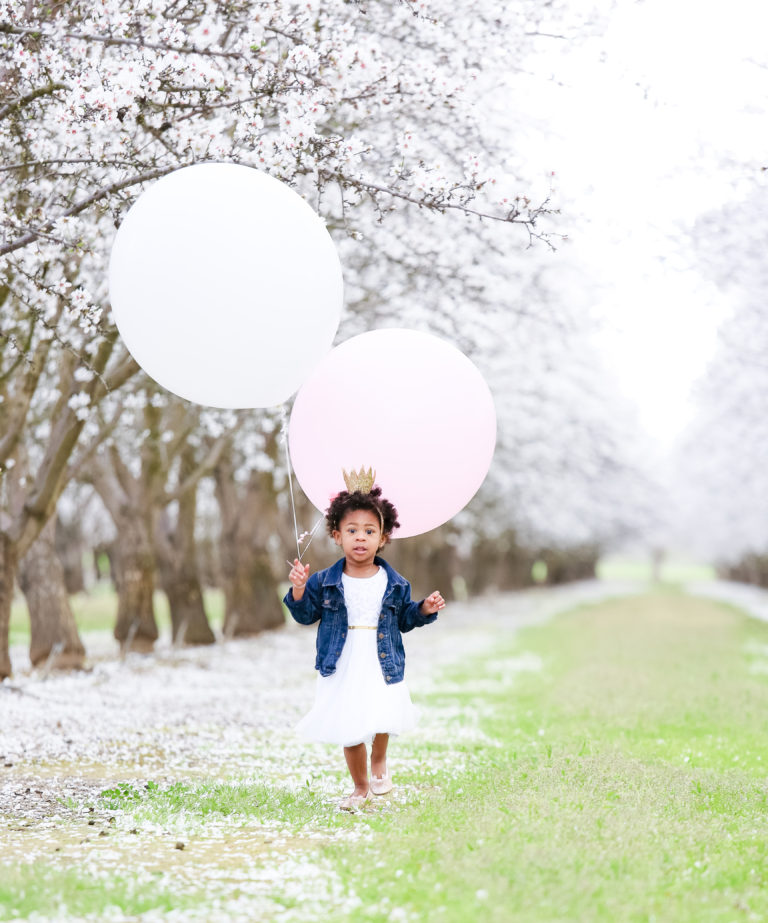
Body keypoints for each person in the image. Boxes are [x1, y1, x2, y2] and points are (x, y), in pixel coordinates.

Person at [284, 475, 445, 812]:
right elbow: (304, 615)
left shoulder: (394, 583)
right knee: (350, 724)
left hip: (380, 656)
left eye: (370, 531)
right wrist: (299, 590)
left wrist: (423, 610)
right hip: (341, 659)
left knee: (383, 712)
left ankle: (380, 761)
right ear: (336, 535)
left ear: (383, 538)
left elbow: (404, 619)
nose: (361, 537)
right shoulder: (325, 581)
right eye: (352, 530)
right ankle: (359, 787)